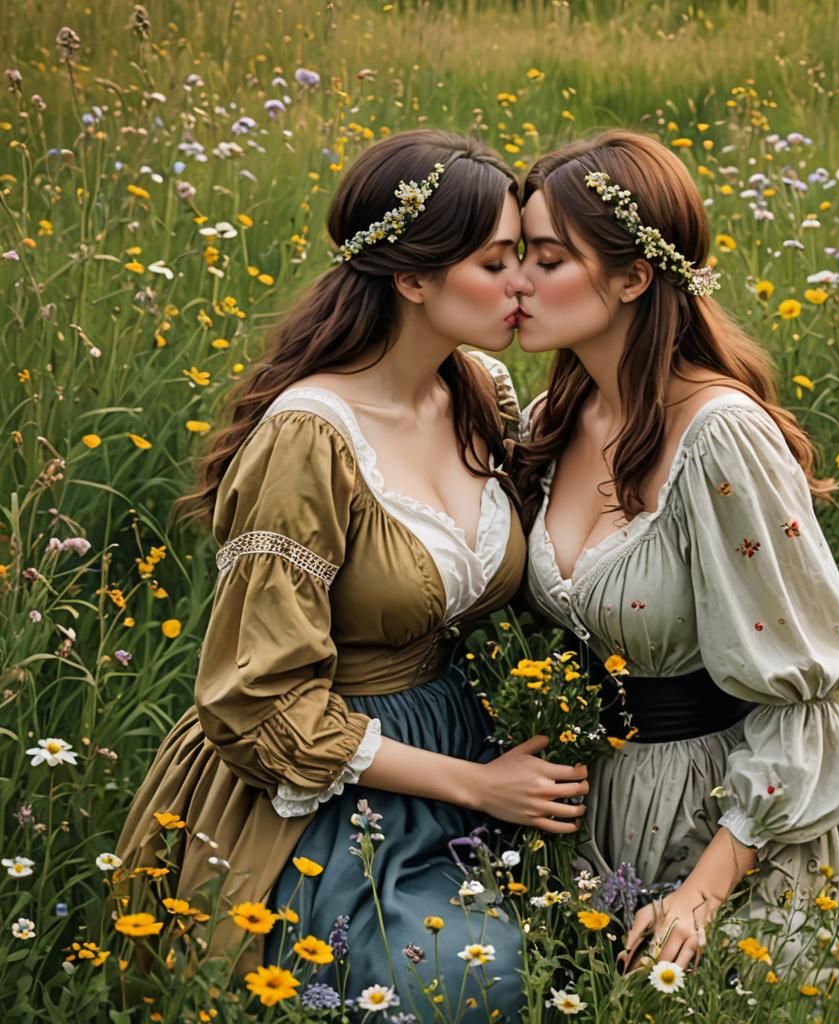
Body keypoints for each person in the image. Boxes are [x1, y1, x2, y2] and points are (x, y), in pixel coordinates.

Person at [115, 129, 589, 1019]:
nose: (522, 284)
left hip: (463, 728)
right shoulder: (310, 438)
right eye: (496, 263)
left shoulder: (480, 390)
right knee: (461, 980)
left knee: (588, 942)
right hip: (332, 776)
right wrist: (479, 787)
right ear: (411, 277)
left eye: (526, 259)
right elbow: (257, 701)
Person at [510, 129, 839, 972]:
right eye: (515, 255)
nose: (518, 281)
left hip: (741, 819)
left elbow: (810, 694)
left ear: (634, 277)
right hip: (601, 811)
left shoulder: (720, 436)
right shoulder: (549, 422)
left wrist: (702, 895)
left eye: (548, 259)